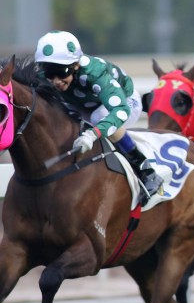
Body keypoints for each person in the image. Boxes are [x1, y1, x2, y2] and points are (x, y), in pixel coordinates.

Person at [34, 30, 163, 203]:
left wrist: (94, 133)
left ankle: (146, 170)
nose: (56, 80)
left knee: (98, 117)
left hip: (125, 103)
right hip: (83, 106)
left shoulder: (95, 73)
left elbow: (120, 110)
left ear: (76, 65)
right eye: (50, 73)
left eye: (62, 72)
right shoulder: (43, 76)